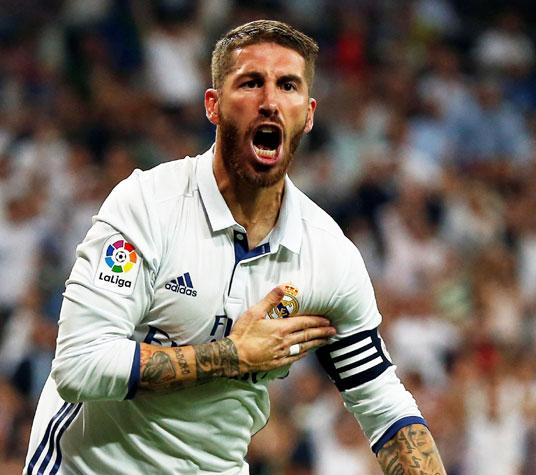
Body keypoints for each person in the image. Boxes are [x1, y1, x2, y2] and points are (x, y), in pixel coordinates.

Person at [23, 20, 446, 475]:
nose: (269, 102)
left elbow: (385, 407)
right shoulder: (148, 206)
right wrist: (233, 355)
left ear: (308, 113)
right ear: (213, 105)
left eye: (287, 86)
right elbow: (80, 363)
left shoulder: (328, 256)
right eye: (250, 83)